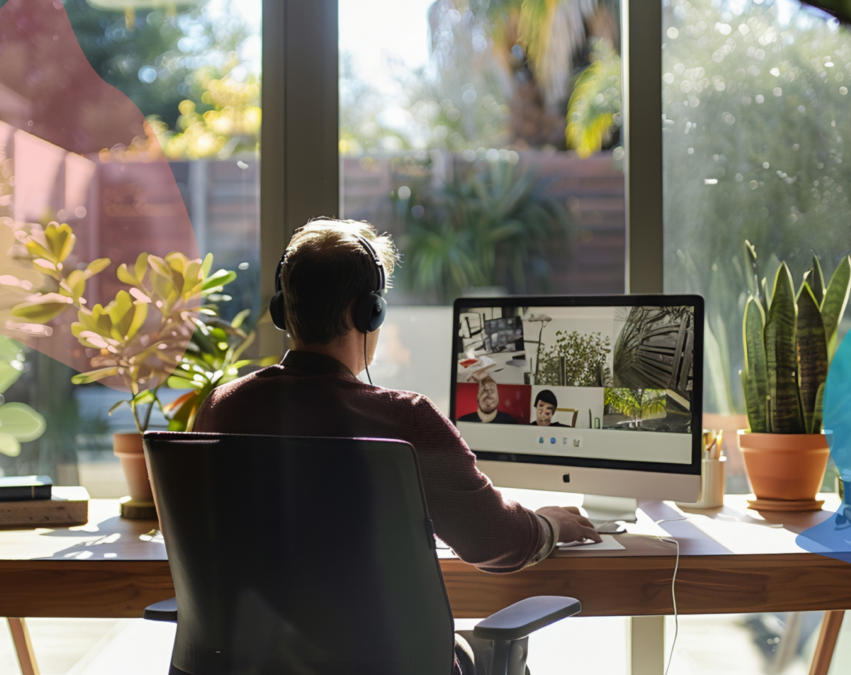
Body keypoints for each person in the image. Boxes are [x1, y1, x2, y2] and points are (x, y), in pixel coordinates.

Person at [194, 218, 599, 675]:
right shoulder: (404, 420)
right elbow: (494, 541)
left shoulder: (221, 409)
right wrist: (548, 525)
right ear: (368, 313)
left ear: (283, 310)